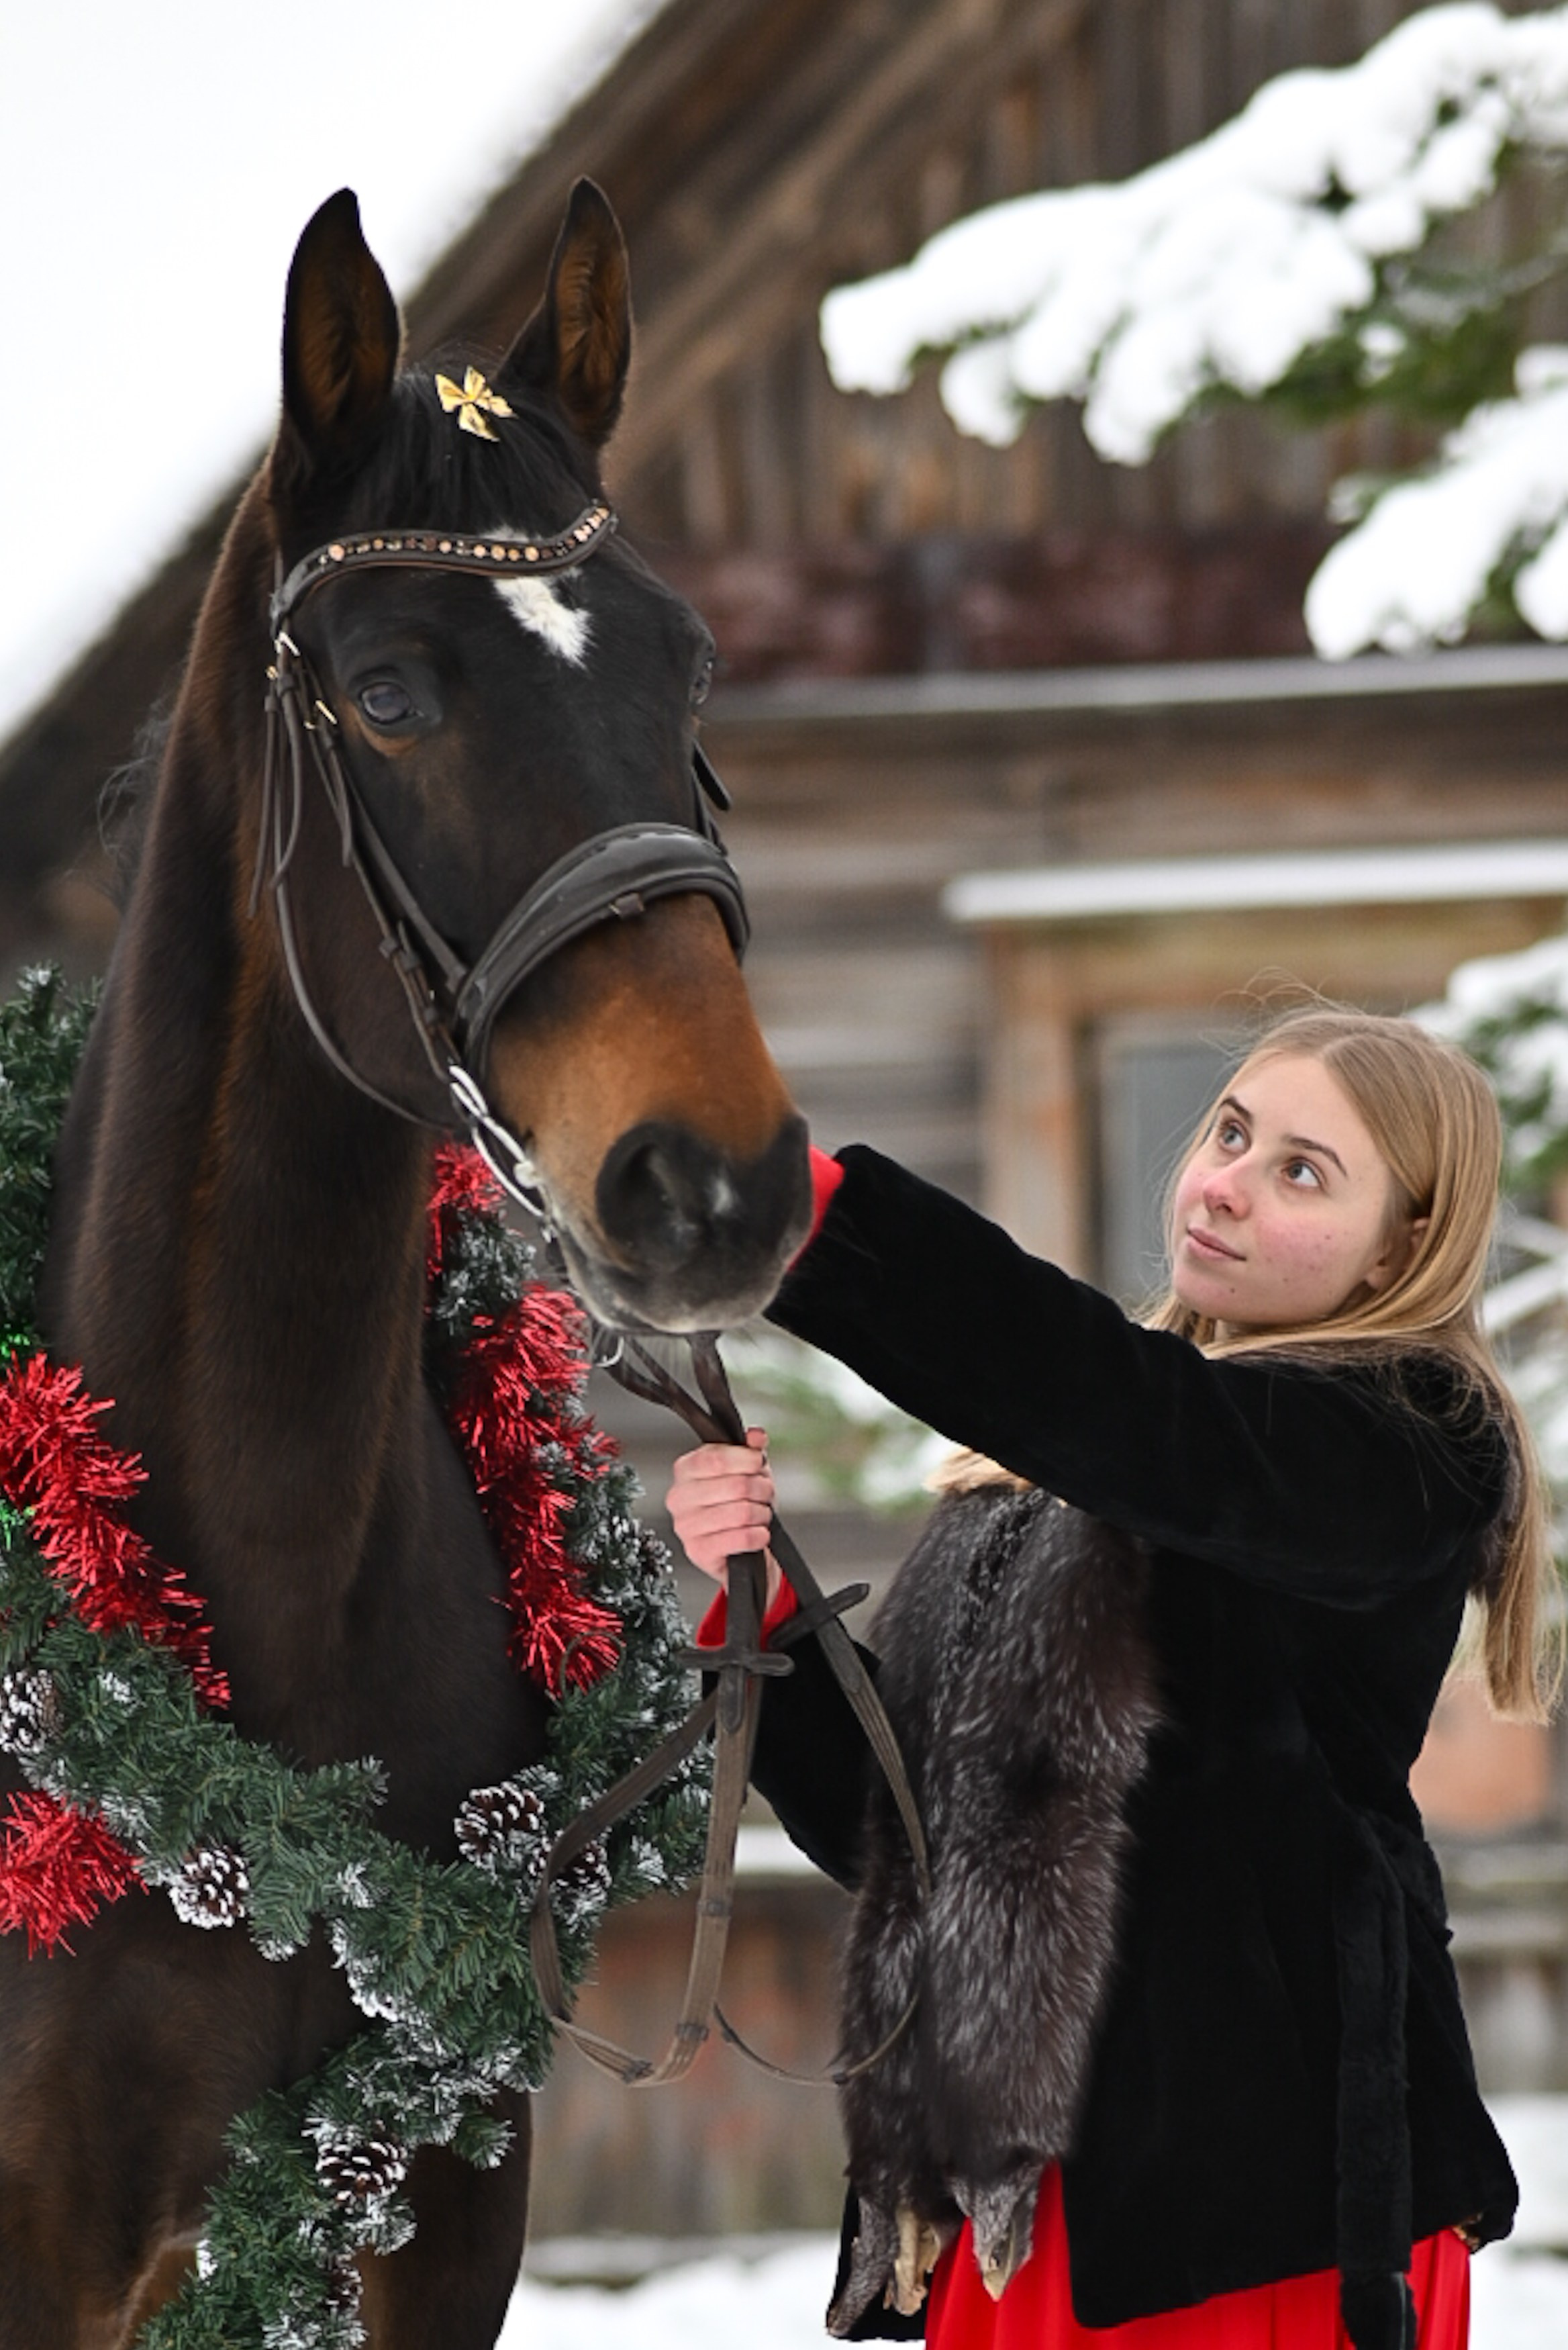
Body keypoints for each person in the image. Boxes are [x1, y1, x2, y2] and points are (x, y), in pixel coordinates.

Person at [665, 1008, 1562, 2350]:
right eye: (1232, 1133)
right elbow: (913, 1839)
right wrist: (766, 1614)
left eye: (1302, 1171)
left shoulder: (1403, 1445)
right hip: (1031, 2202)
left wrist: (816, 1216)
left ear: (1399, 1246)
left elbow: (1141, 1417)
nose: (1227, 1183)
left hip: (1265, 2218)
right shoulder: (1047, 1496)